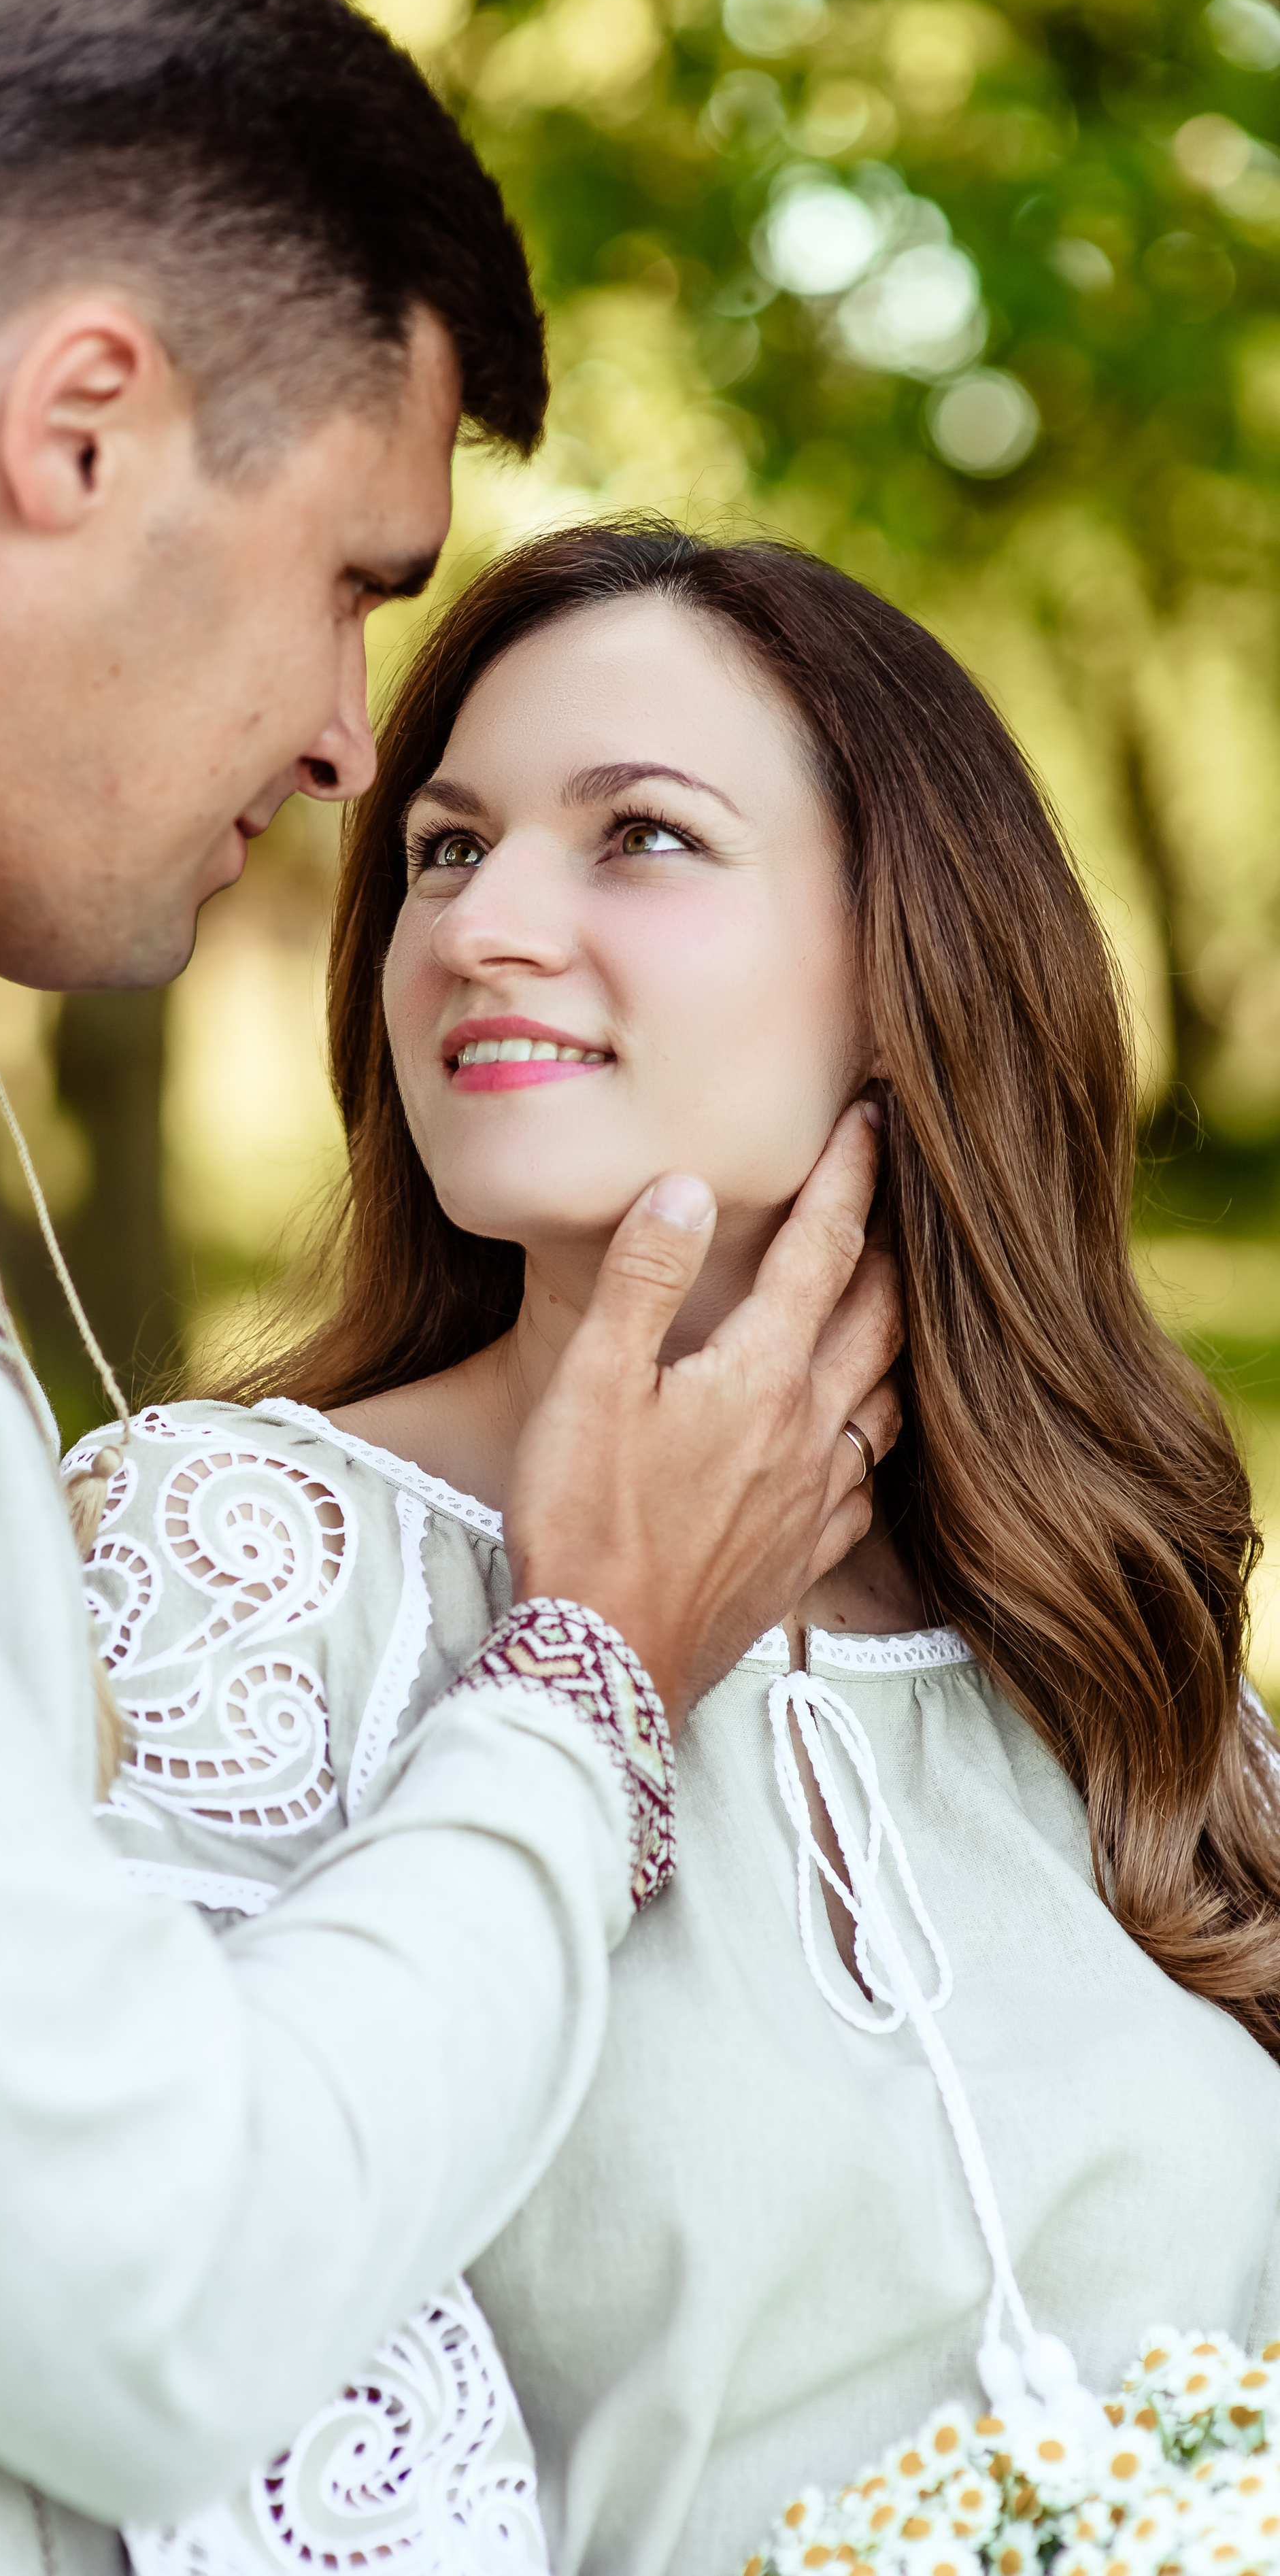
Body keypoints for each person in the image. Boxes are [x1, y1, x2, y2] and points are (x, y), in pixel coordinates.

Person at [0, 0, 903, 2571]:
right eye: (346, 585)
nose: (347, 746)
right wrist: (586, 1685)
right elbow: (149, 2292)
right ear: (82, 432)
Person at [78, 520, 1280, 2576]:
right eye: (444, 851)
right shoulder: (237, 1556)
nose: (481, 928)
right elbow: (173, 2355)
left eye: (637, 834)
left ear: (911, 961)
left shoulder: (1092, 1603)